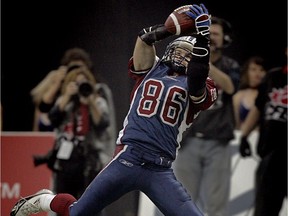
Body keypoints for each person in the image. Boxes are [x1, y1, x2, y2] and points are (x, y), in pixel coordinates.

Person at [10, 3, 218, 216]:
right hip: (129, 157)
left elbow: (196, 83)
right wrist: (169, 28)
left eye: (189, 55)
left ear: (198, 60)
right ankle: (44, 200)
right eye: (180, 51)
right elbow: (144, 38)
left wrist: (203, 38)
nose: (182, 57)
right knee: (77, 213)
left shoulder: (205, 84)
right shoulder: (153, 68)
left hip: (159, 168)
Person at [173, 16, 240, 216]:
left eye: (216, 35)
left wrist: (205, 63)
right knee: (183, 200)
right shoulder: (187, 62)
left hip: (218, 141)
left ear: (224, 39)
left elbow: (230, 87)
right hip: (188, 139)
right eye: (209, 34)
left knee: (217, 204)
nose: (212, 38)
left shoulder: (230, 65)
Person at [239, 47, 287, 216]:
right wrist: (244, 136)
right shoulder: (273, 77)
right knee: (264, 210)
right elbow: (259, 107)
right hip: (270, 155)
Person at [30, 47, 94, 132]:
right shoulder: (58, 87)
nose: (76, 72)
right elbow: (43, 107)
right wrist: (57, 84)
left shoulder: (91, 89)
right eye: (73, 68)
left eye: (80, 68)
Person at [233, 56, 267, 129]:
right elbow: (235, 125)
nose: (258, 73)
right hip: (242, 136)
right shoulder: (239, 95)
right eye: (253, 69)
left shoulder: (270, 95)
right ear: (246, 72)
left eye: (261, 70)